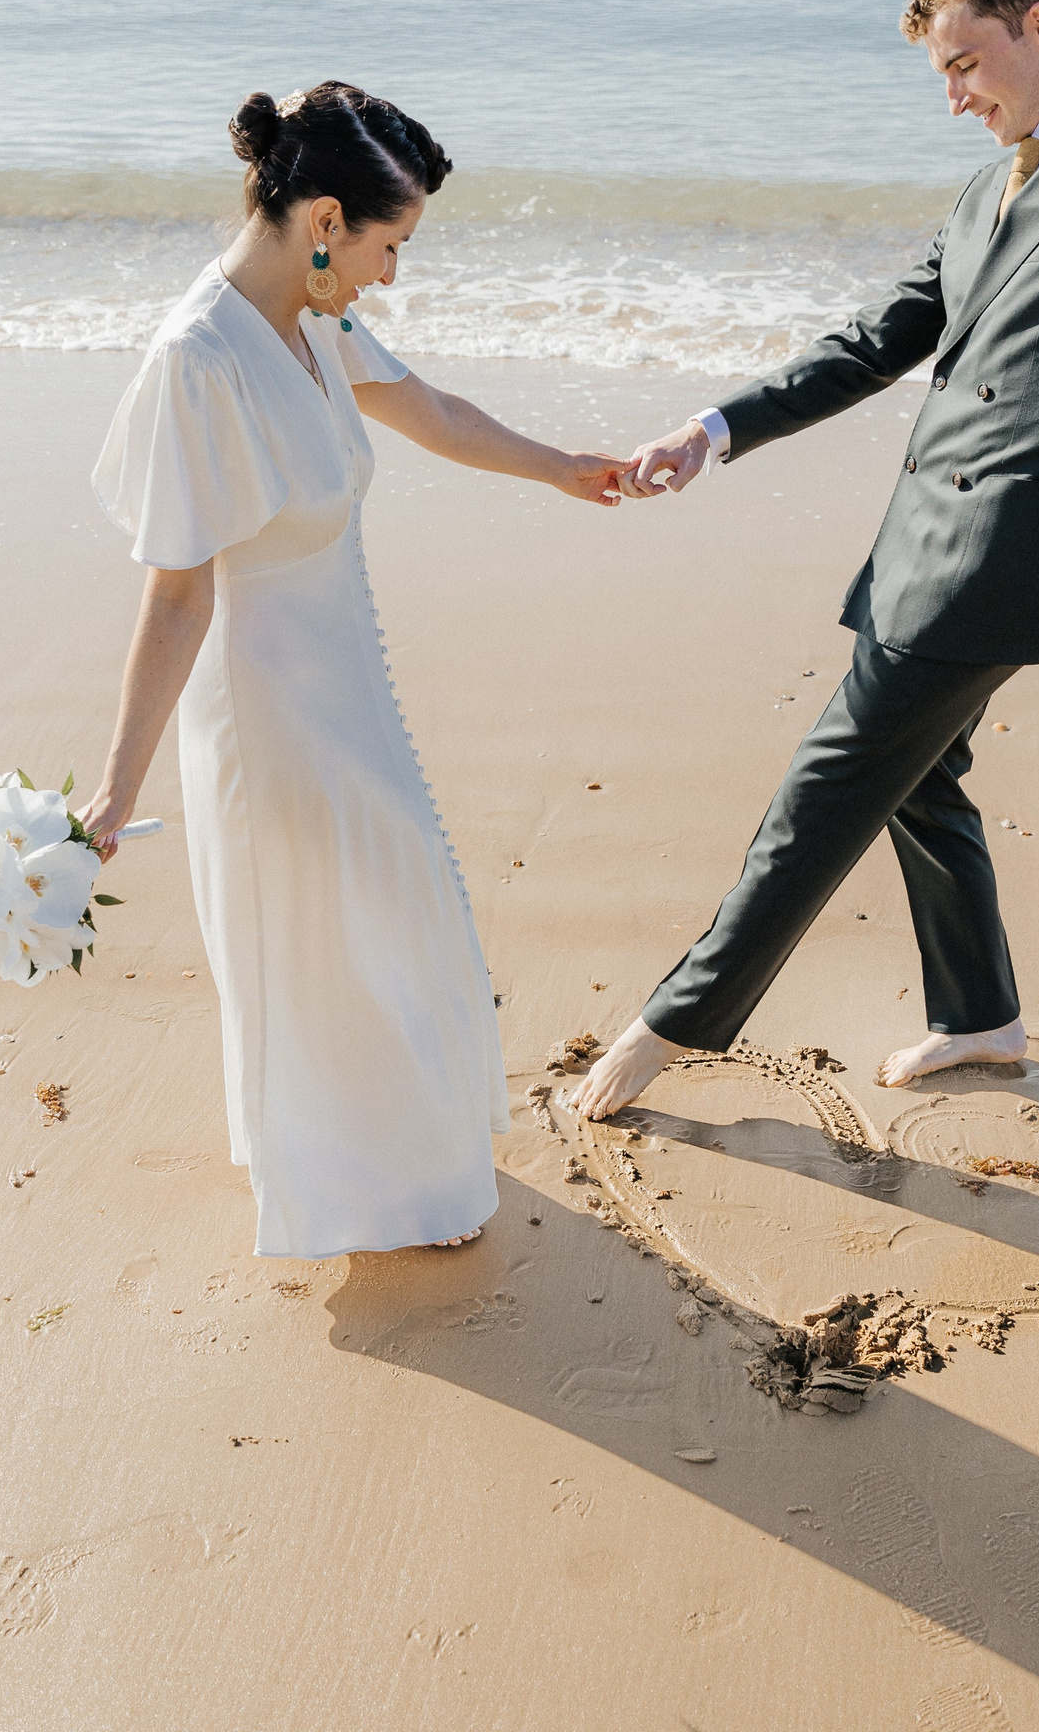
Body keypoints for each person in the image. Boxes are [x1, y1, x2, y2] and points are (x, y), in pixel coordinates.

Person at [572, 0, 1039, 1122]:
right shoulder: (983, 188)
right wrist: (714, 429)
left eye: (964, 64)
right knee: (918, 772)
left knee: (829, 784)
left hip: (1000, 559)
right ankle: (980, 1016)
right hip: (919, 544)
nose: (952, 97)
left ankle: (668, 1029)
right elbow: (878, 342)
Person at [79, 83, 627, 1255]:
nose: (393, 274)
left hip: (348, 683)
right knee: (330, 940)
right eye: (391, 245)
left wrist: (561, 469)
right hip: (269, 711)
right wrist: (117, 791)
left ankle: (405, 1169)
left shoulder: (311, 311)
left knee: (398, 909)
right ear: (326, 216)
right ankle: (363, 1195)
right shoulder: (201, 360)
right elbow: (176, 590)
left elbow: (422, 405)